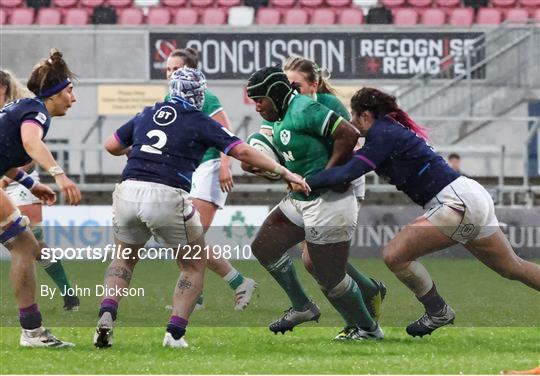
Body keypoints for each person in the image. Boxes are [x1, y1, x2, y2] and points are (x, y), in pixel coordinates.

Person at [295, 87, 540, 337]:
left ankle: (438, 310)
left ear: (366, 115)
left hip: (454, 201)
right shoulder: (388, 131)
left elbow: (348, 173)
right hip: (468, 195)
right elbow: (350, 164)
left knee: (395, 255)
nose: (352, 122)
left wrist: (306, 181)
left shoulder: (382, 133)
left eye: (354, 116)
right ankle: (438, 310)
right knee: (512, 267)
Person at [94, 67, 308, 349]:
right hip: (167, 194)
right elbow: (241, 151)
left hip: (128, 189)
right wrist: (284, 172)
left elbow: (110, 145)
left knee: (123, 259)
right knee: (193, 265)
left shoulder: (148, 113)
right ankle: (174, 335)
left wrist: (134, 152)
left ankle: (107, 312)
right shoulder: (198, 120)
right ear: (198, 94)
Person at [246, 66, 384, 340]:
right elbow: (282, 155)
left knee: (328, 277)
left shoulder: (304, 109)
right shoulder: (279, 116)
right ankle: (302, 306)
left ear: (275, 93)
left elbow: (349, 133)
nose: (258, 106)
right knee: (264, 247)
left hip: (328, 203)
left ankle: (369, 330)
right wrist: (265, 167)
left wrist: (328, 173)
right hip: (301, 199)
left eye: (260, 99)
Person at [0, 50, 81, 347]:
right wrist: (59, 175)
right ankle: (32, 333)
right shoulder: (37, 113)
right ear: (56, 93)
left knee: (25, 244)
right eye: (70, 91)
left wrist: (30, 183)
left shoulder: (23, 106)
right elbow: (29, 142)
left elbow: (5, 155)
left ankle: (33, 331)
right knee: (24, 245)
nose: (73, 99)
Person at [166, 48, 256, 310]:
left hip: (210, 166)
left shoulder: (205, 97)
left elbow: (225, 132)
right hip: (190, 170)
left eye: (176, 69)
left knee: (188, 237)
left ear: (191, 72)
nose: (170, 73)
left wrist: (226, 165)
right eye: (168, 69)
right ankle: (231, 285)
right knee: (185, 239)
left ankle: (213, 291)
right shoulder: (169, 97)